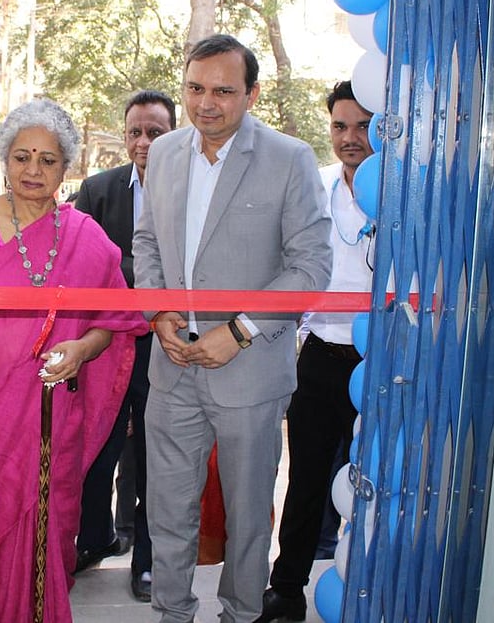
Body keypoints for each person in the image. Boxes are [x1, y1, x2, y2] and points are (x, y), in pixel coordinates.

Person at [0, 98, 146, 622]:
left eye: (48, 159)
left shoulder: (86, 234)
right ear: (4, 160)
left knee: (46, 535)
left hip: (50, 418)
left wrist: (83, 349)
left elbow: (114, 322)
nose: (33, 170)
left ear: (67, 167)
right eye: (22, 157)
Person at [132, 34, 332, 623]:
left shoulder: (288, 157)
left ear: (252, 93)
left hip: (249, 371)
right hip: (172, 366)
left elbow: (312, 265)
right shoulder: (164, 152)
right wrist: (160, 311)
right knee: (167, 511)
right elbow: (147, 244)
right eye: (195, 88)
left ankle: (241, 614)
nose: (206, 103)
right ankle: (172, 613)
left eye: (223, 91)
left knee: (247, 517)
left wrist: (239, 331)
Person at [257, 80, 375, 623]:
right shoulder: (316, 185)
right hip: (323, 357)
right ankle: (286, 590)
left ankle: (373, 586)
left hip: (385, 364)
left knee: (375, 480)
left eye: (363, 126)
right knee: (304, 479)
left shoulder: (402, 194)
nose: (350, 138)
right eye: (339, 126)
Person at [73, 90, 176, 603]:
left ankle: (148, 561)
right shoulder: (96, 191)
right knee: (95, 450)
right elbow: (73, 257)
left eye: (155, 132)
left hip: (165, 346)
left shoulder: (186, 187)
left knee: (153, 459)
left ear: (174, 133)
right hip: (106, 347)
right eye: (135, 131)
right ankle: (93, 539)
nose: (143, 142)